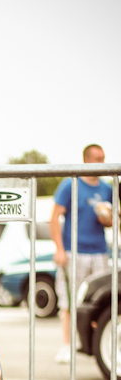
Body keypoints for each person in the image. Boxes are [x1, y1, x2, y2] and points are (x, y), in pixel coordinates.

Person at [50, 144, 112, 363]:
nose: (102, 163)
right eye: (97, 159)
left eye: (103, 158)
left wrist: (107, 219)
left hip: (100, 252)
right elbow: (54, 217)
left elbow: (112, 221)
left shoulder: (107, 188)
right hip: (74, 252)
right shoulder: (70, 184)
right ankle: (68, 345)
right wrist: (59, 249)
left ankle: (96, 346)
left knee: (98, 301)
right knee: (69, 300)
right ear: (86, 160)